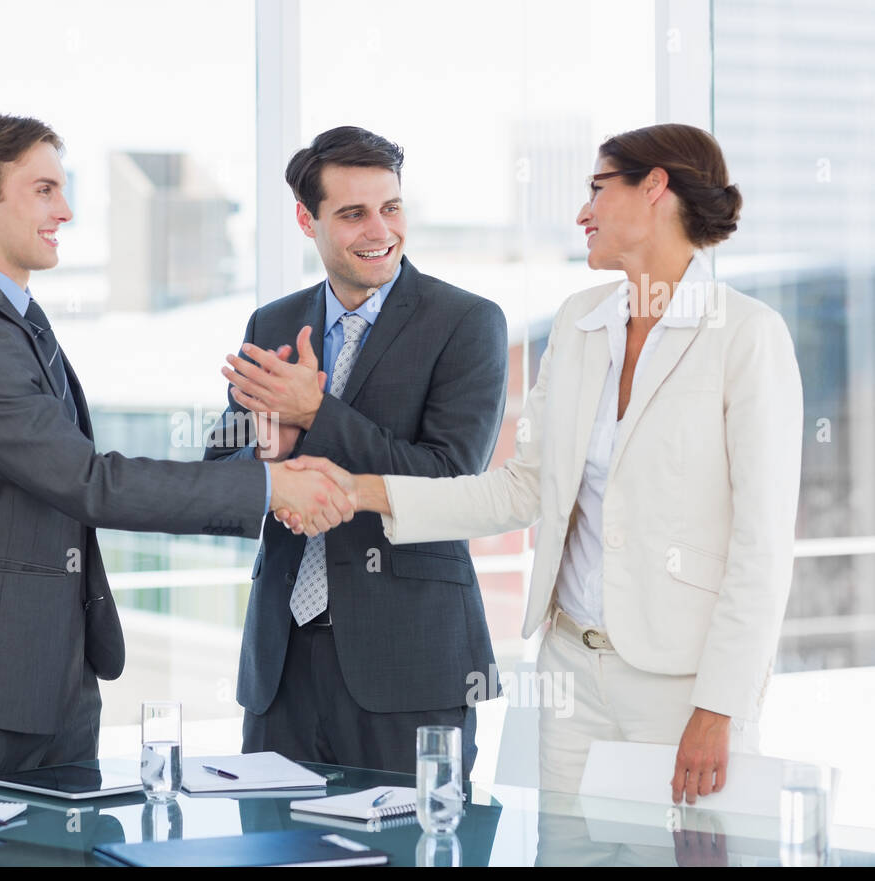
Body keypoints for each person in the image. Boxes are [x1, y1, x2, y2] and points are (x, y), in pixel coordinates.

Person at [289, 123, 803, 802]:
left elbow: (761, 548)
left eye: (597, 189)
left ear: (654, 189)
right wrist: (356, 491)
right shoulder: (580, 320)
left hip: (681, 688)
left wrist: (722, 706)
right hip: (568, 674)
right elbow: (520, 489)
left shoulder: (746, 336)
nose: (583, 212)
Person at [0, 114, 354, 787]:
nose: (66, 211)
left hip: (44, 675)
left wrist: (260, 456)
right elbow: (89, 482)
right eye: (45, 190)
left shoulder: (5, 319)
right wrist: (271, 489)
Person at [203, 126, 509, 777]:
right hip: (280, 670)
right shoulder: (272, 323)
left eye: (391, 207)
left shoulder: (466, 323)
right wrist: (270, 450)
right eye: (352, 213)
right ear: (305, 219)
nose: (380, 229)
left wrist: (317, 412)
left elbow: (450, 479)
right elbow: (220, 476)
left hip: (410, 666)